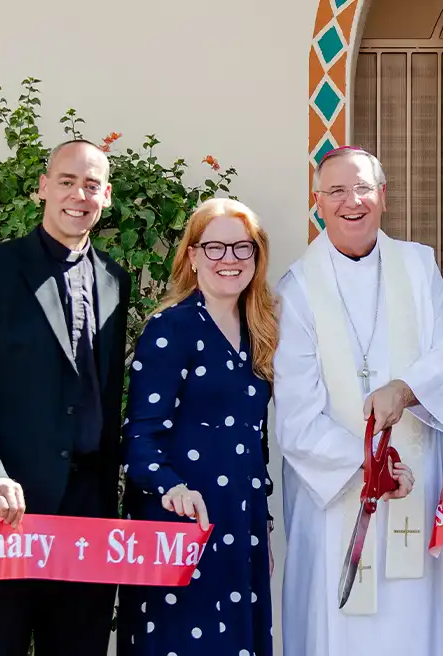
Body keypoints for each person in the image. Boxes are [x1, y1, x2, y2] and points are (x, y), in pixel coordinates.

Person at [0, 139, 131, 655]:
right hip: (2, 509)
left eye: (91, 185)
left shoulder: (115, 279)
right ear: (43, 187)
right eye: (67, 181)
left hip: (88, 516)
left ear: (106, 196)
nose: (78, 195)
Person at [273, 146, 443, 656]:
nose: (351, 201)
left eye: (362, 188)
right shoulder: (297, 288)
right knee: (339, 627)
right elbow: (296, 414)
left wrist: (405, 389)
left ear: (383, 197)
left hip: (412, 488)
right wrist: (372, 465)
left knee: (410, 622)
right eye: (336, 191)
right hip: (335, 493)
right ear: (318, 202)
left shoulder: (418, 265)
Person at [115, 198, 277, 655]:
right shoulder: (171, 329)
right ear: (192, 255)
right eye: (215, 247)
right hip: (182, 524)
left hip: (240, 521)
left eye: (242, 247)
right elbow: (140, 437)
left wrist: (262, 520)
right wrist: (172, 487)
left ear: (256, 255)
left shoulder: (259, 331)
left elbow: (254, 440)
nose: (229, 259)